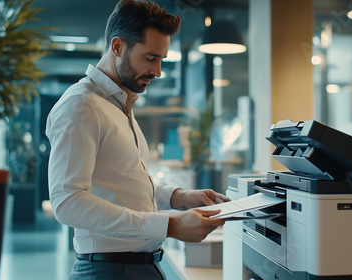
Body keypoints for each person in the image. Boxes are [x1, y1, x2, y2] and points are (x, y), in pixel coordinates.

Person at [45, 0, 230, 279]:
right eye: (150, 58)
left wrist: (180, 197)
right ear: (118, 47)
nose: (157, 71)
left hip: (137, 267)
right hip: (108, 270)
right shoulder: (81, 106)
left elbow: (122, 181)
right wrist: (169, 226)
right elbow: (67, 202)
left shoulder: (118, 104)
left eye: (161, 60)